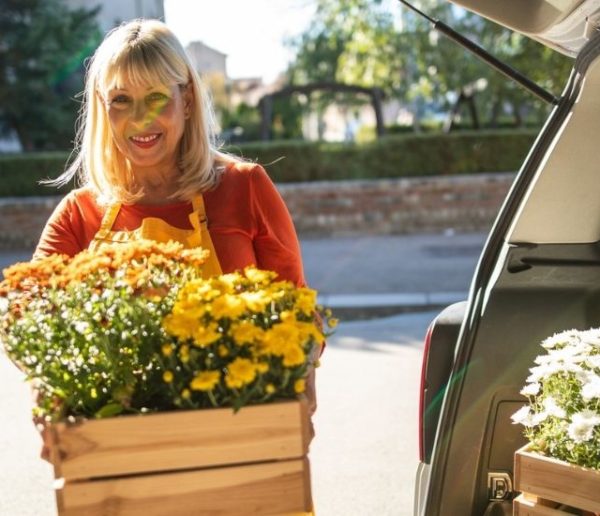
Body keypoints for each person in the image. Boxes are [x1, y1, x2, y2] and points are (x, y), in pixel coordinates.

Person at [34, 19, 318, 453]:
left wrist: (298, 396)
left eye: (156, 98)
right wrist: (49, 401)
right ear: (102, 107)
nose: (139, 119)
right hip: (123, 455)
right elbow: (31, 322)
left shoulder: (245, 188)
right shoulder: (78, 216)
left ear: (186, 99)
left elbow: (298, 317)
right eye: (121, 100)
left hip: (241, 443)